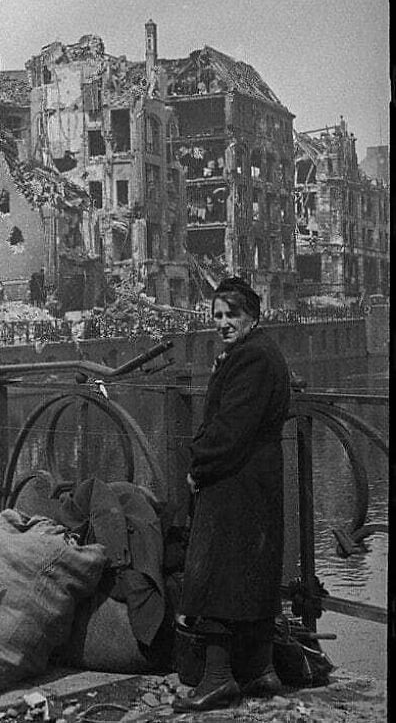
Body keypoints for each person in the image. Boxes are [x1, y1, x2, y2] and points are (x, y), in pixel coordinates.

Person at [173, 277, 290, 713]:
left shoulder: (251, 359)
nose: (223, 324)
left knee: (218, 572)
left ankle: (218, 678)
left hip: (235, 478)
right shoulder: (256, 352)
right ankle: (260, 670)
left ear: (252, 317)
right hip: (257, 476)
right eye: (217, 316)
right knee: (253, 569)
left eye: (232, 315)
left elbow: (230, 429)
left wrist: (198, 464)